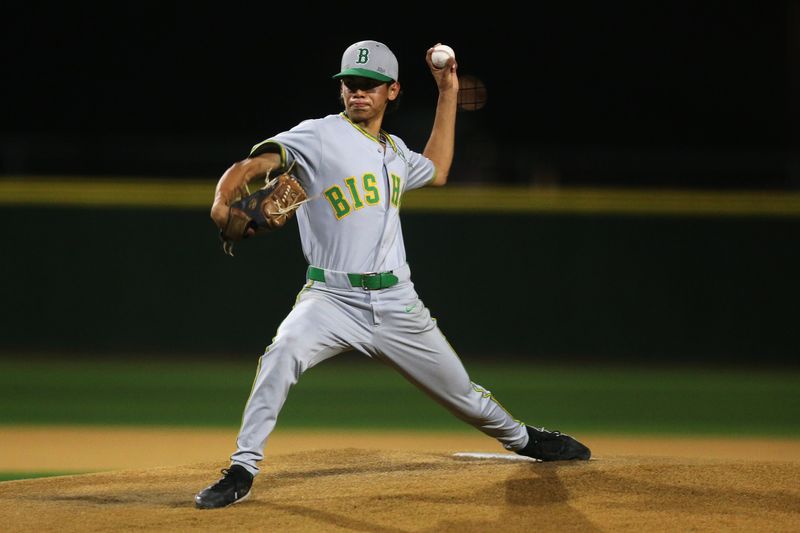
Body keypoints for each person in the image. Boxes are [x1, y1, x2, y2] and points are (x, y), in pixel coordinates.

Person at [195, 40, 590, 510]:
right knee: (281, 355)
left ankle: (523, 439)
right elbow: (253, 166)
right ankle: (242, 469)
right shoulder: (318, 135)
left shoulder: (396, 153)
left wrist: (448, 90)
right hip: (329, 299)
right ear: (341, 89)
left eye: (370, 85)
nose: (358, 92)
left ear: (393, 91)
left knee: (463, 394)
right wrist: (224, 197)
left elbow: (439, 169)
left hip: (397, 302)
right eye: (351, 84)